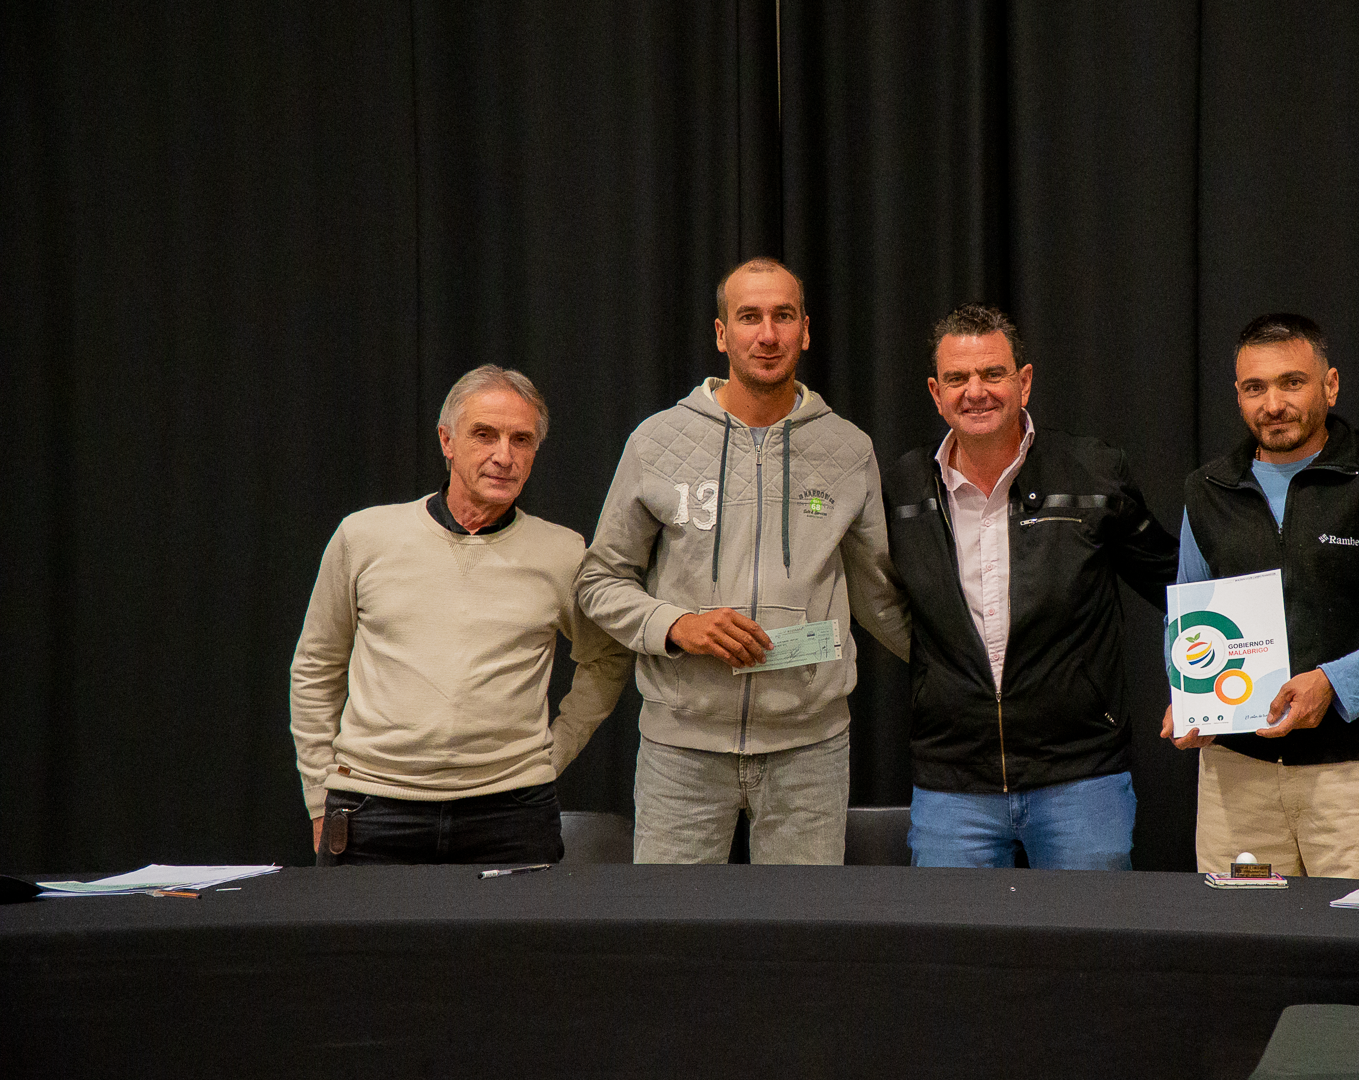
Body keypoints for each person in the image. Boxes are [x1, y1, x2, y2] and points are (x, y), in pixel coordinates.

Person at [578, 256, 909, 864]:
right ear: (721, 333)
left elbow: (880, 596)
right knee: (672, 920)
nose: (768, 334)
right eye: (749, 317)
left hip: (810, 752)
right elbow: (600, 579)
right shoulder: (657, 442)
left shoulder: (848, 449)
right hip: (681, 753)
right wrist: (677, 626)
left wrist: (974, 673)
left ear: (805, 331)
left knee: (802, 923)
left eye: (783, 316)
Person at [290, 366, 633, 865]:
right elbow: (316, 666)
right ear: (447, 441)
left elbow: (607, 659)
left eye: (521, 439)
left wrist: (553, 753)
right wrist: (318, 795)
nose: (504, 456)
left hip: (512, 811)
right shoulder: (364, 536)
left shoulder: (562, 552)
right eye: (484, 435)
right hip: (373, 807)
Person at [884, 304, 1178, 869]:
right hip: (953, 784)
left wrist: (1201, 694)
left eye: (992, 374)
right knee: (951, 930)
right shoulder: (902, 488)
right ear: (936, 393)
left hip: (1080, 778)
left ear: (1024, 381)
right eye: (957, 378)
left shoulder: (1093, 473)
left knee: (1090, 928)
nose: (976, 391)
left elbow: (1176, 582)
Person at [1162, 313, 1359, 877]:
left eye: (1292, 383)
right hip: (1236, 778)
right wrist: (1190, 697)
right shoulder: (1208, 489)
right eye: (1255, 388)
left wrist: (1335, 683)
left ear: (1330, 385)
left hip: (1358, 777)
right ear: (1238, 396)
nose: (1273, 404)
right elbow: (1189, 618)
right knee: (1240, 932)